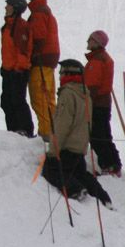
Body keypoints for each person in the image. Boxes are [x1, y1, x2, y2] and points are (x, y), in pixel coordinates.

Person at [42, 59, 112, 207]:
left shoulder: (67, 94)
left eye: (61, 73)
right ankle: (103, 198)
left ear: (69, 74)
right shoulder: (86, 95)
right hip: (79, 148)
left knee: (51, 170)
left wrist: (53, 151)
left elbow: (61, 125)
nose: (59, 76)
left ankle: (75, 190)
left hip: (66, 148)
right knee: (80, 173)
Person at [26, 0, 60, 142]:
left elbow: (38, 36)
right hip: (47, 59)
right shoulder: (42, 10)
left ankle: (47, 134)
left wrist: (30, 54)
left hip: (41, 60)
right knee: (46, 97)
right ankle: (50, 131)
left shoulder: (39, 11)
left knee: (40, 97)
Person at [84, 30, 122, 175]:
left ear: (97, 42)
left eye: (90, 39)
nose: (87, 41)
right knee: (104, 134)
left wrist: (86, 102)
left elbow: (92, 85)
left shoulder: (97, 60)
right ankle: (113, 163)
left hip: (97, 103)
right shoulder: (100, 58)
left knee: (98, 135)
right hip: (103, 103)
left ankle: (108, 164)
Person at [0, 0, 34, 137]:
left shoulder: (20, 26)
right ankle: (13, 130)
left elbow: (23, 50)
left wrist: (18, 69)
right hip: (9, 70)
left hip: (17, 71)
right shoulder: (9, 25)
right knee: (7, 101)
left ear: (16, 8)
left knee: (17, 101)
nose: (6, 7)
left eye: (9, 5)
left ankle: (24, 129)